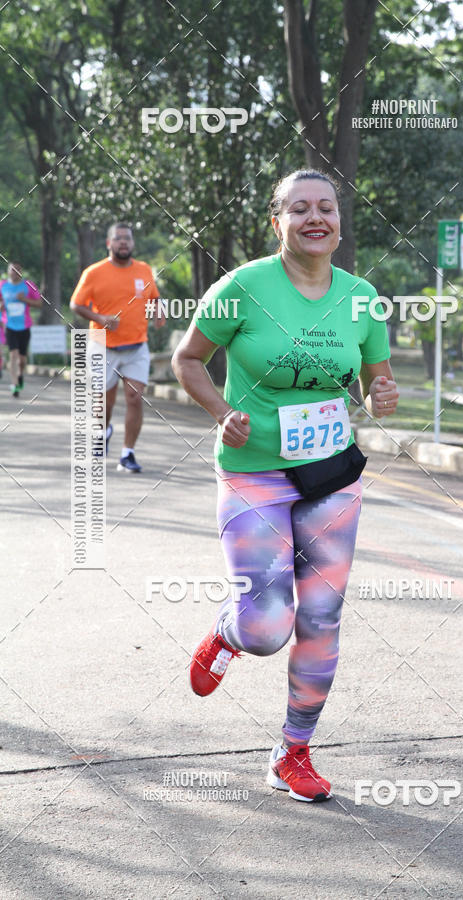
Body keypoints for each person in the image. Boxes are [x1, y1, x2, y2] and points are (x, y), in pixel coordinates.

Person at [172, 169, 399, 803]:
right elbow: (186, 360)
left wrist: (382, 395)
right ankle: (230, 630)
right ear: (278, 222)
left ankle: (292, 752)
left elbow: (376, 388)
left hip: (330, 473)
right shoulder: (243, 287)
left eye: (326, 207)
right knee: (268, 625)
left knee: (322, 617)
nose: (315, 218)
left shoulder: (362, 298)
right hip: (255, 471)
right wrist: (224, 413)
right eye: (299, 209)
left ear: (340, 221)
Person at [70, 223, 164, 472]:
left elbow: (154, 297)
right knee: (104, 403)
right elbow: (76, 305)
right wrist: (100, 319)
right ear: (109, 243)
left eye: (128, 239)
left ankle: (127, 454)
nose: (124, 242)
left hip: (136, 346)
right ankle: (104, 430)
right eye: (118, 238)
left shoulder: (144, 270)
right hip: (103, 345)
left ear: (133, 244)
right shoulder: (94, 273)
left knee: (134, 397)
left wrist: (158, 312)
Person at [0, 262, 42, 397]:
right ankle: (14, 384)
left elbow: (39, 303)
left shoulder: (28, 285)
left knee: (22, 359)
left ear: (21, 272)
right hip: (9, 325)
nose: (14, 272)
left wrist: (24, 299)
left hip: (25, 326)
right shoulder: (2, 285)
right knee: (13, 355)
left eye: (17, 270)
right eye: (12, 270)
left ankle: (20, 375)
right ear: (8, 271)